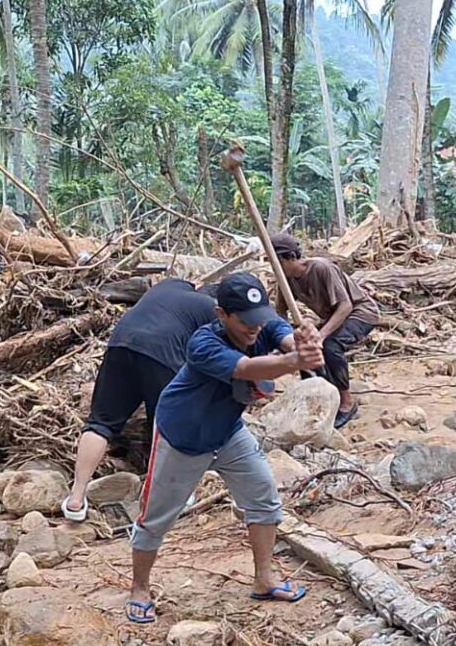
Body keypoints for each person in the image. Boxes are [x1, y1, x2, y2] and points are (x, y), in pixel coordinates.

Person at [126, 272, 325, 625]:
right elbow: (247, 369)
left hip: (228, 431)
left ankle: (264, 579)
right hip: (182, 436)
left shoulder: (263, 323)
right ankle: (139, 588)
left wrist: (303, 342)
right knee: (156, 518)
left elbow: (283, 337)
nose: (254, 329)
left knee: (263, 498)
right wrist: (295, 363)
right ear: (222, 315)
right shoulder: (203, 343)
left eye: (258, 319)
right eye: (245, 322)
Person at [63, 276, 235, 522]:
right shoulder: (213, 311)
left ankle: (76, 497)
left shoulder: (167, 286)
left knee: (101, 423)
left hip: (120, 345)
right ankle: (168, 494)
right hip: (162, 353)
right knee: (168, 425)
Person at [270, 233, 380, 428]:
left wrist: (321, 335)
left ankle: (347, 403)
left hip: (360, 312)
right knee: (305, 349)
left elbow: (345, 306)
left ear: (291, 258)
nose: (274, 268)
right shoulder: (285, 279)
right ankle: (320, 395)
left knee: (330, 346)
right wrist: (288, 337)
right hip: (333, 317)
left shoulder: (321, 268)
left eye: (277, 262)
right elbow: (280, 311)